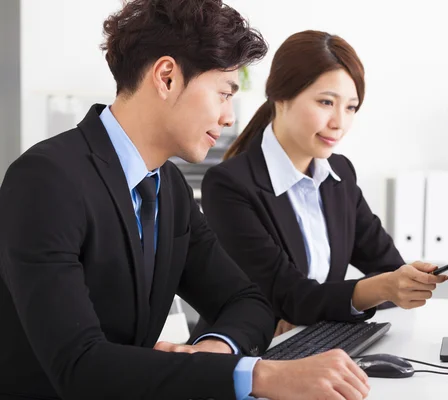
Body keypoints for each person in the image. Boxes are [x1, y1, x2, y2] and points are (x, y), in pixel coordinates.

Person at [0, 3, 370, 399]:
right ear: (167, 77)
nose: (230, 117)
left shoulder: (168, 186)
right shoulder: (46, 180)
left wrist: (216, 350)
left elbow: (248, 300)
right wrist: (262, 376)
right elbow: (79, 365)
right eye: (224, 94)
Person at [201, 30, 448, 336]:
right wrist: (378, 289)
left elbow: (388, 268)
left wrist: (392, 285)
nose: (339, 123)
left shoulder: (340, 176)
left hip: (310, 345)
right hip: (242, 357)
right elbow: (288, 295)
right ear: (280, 96)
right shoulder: (228, 186)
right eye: (326, 102)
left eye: (350, 107)